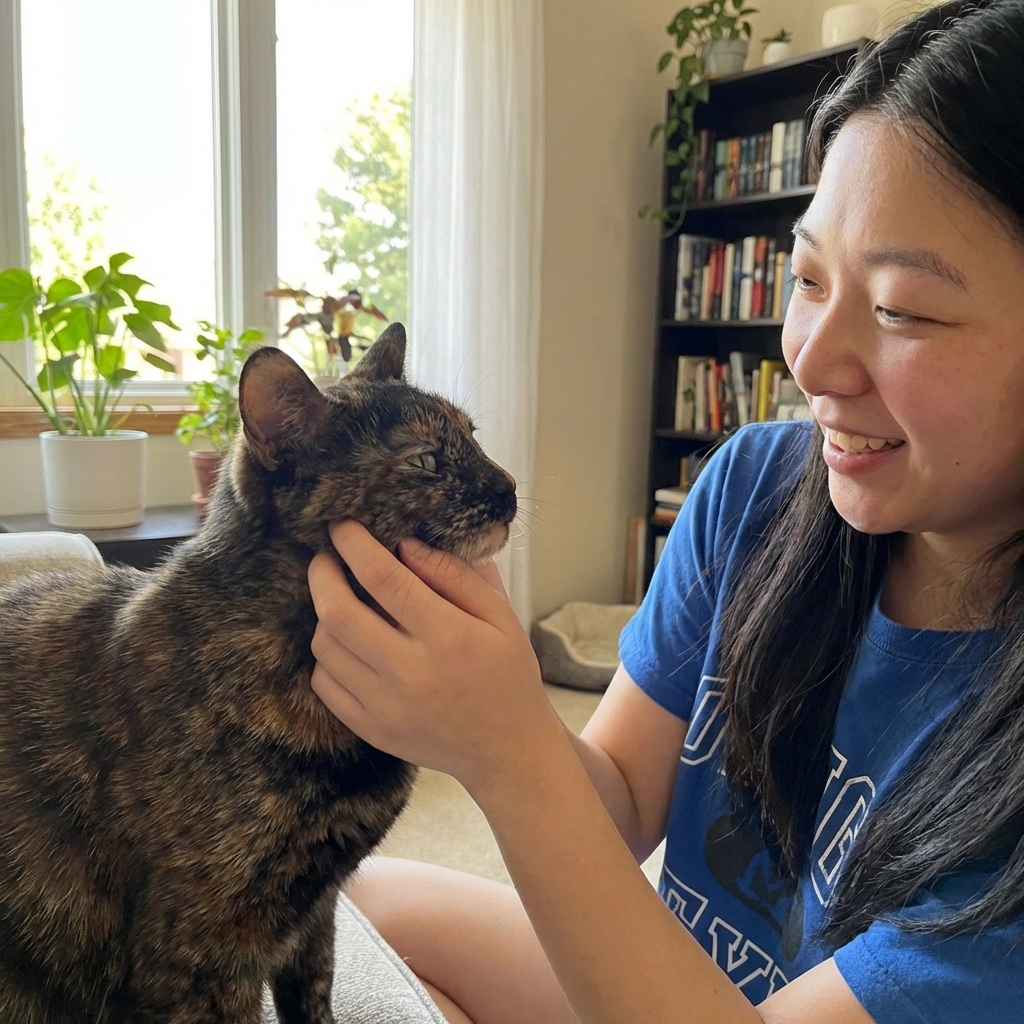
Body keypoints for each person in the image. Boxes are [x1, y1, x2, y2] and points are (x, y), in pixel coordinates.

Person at [305, 2, 1024, 1021]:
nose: (811, 360)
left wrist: (510, 755)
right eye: (808, 276)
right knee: (353, 912)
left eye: (900, 307)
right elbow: (619, 796)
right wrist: (493, 704)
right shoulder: (757, 490)